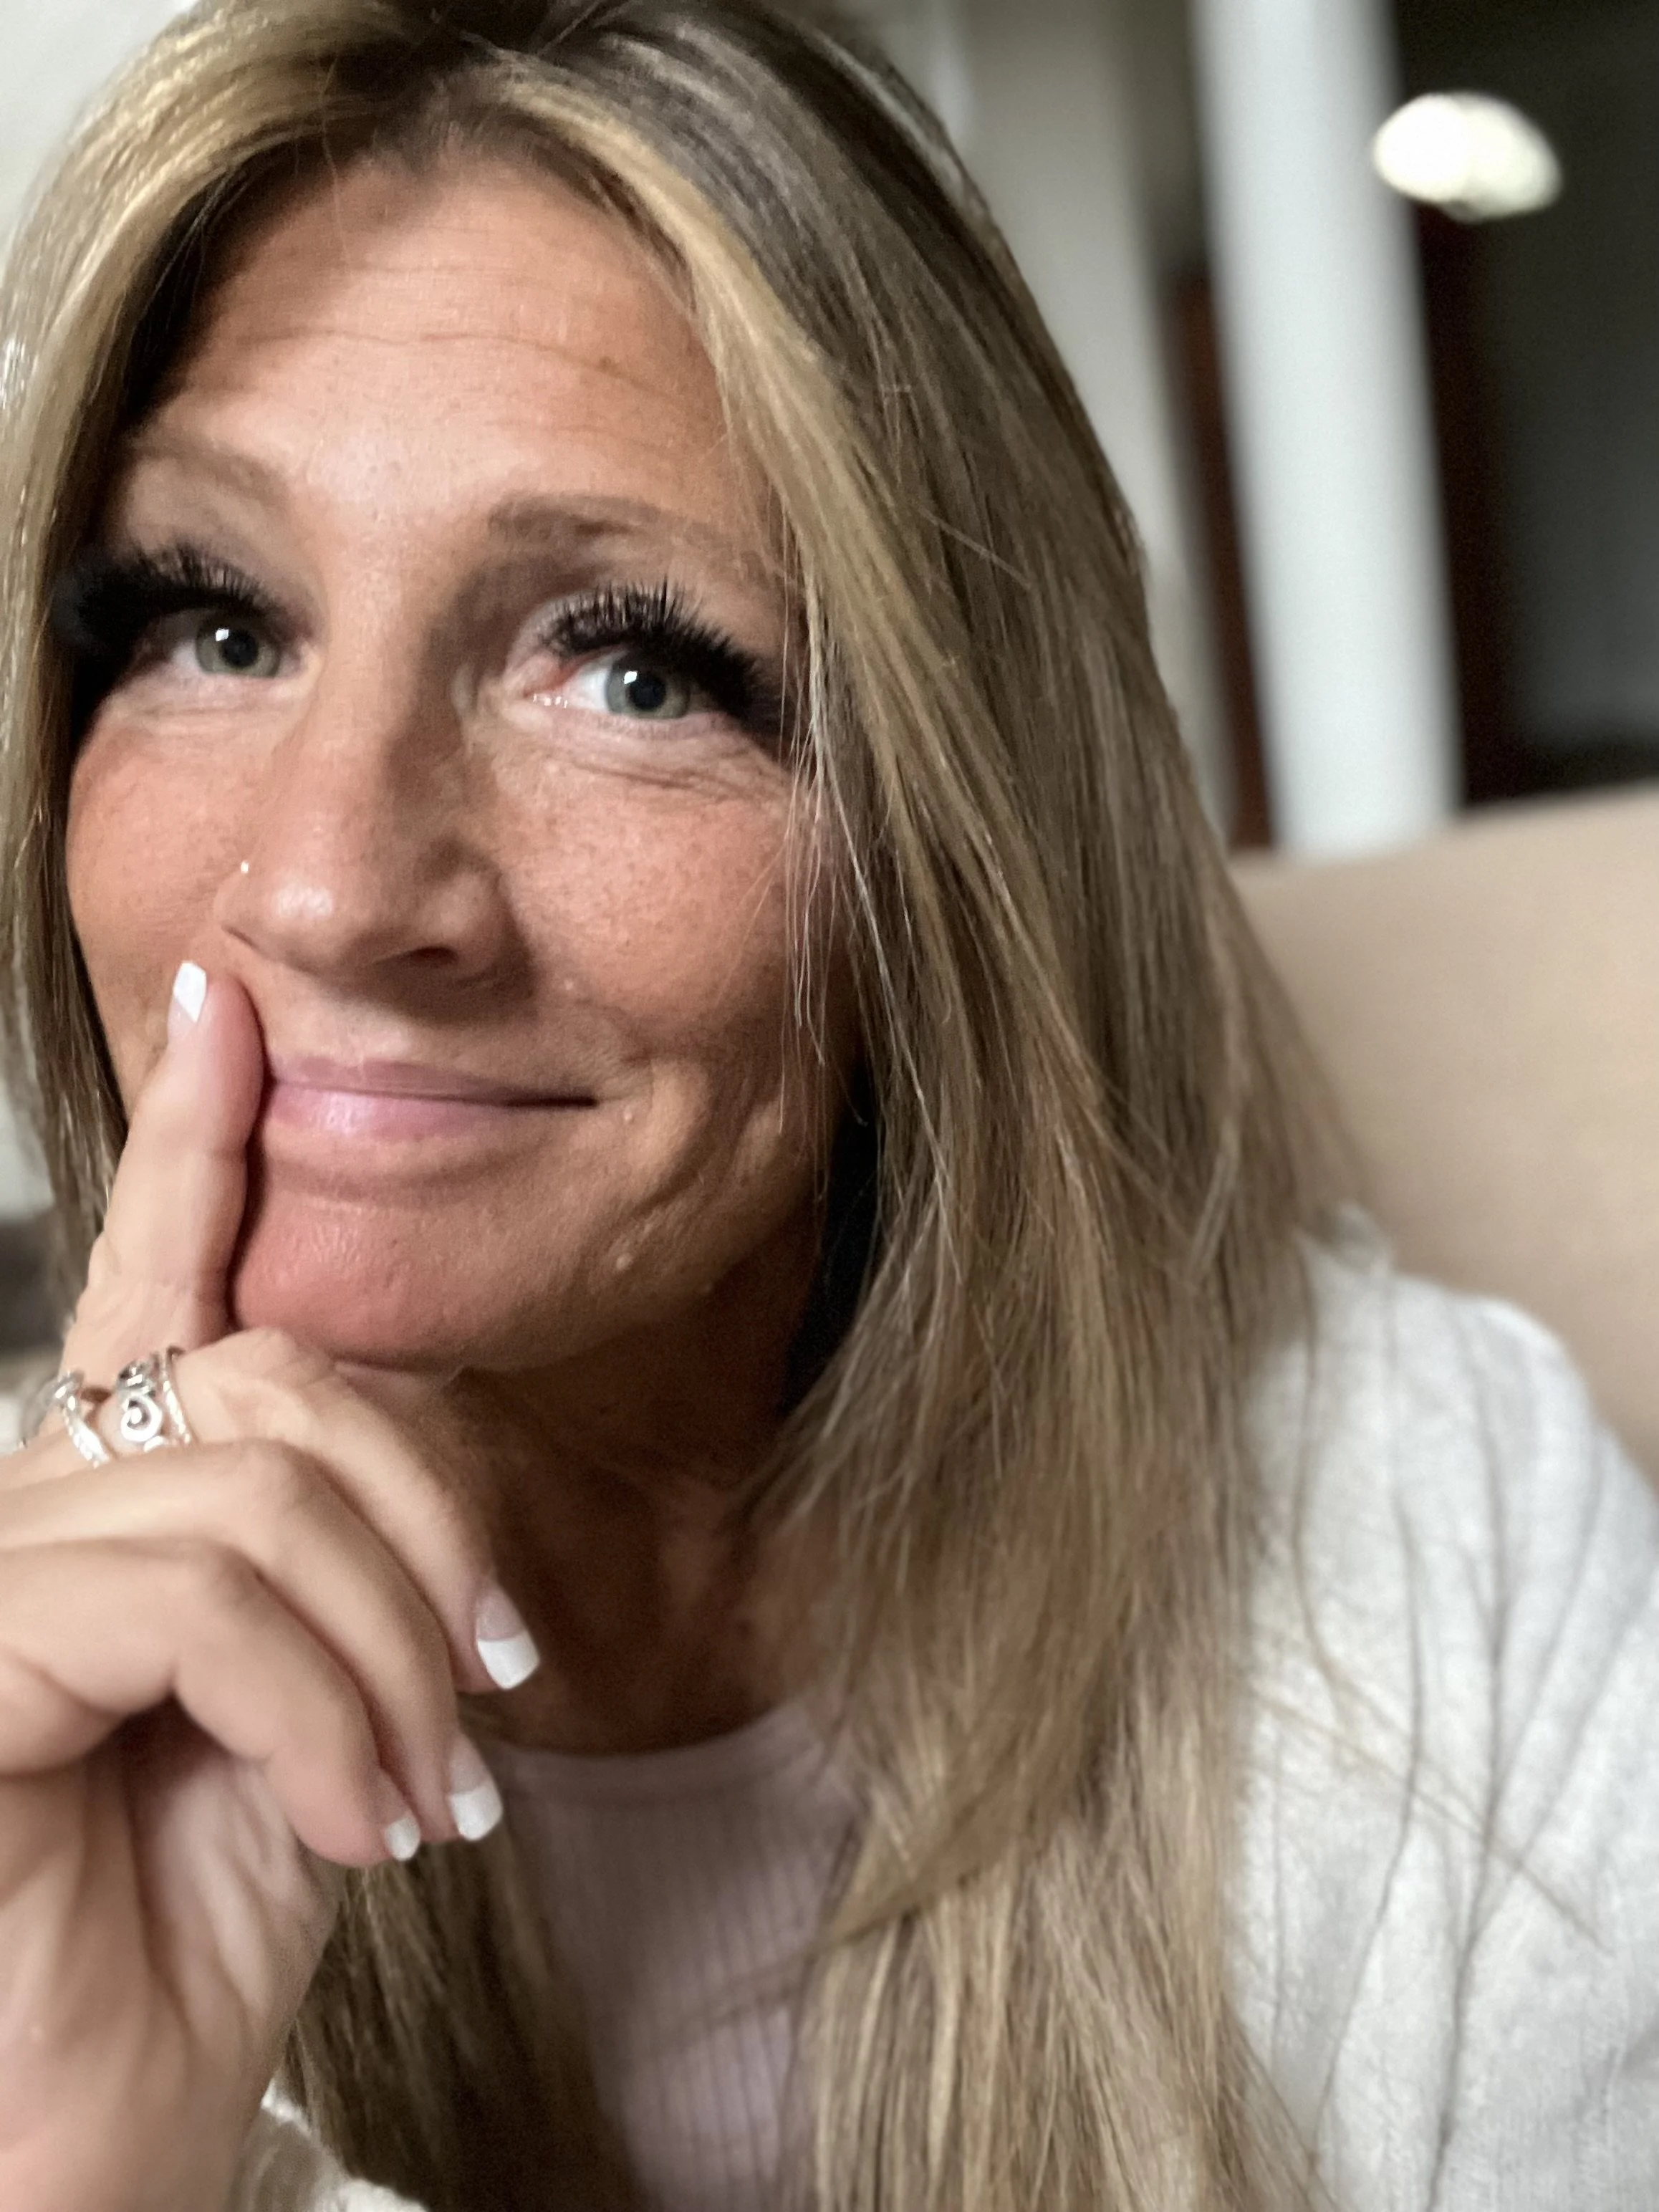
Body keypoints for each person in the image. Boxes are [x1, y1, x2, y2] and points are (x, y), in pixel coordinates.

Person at [0, 4, 1654, 2208]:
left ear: (954, 840)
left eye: (630, 664)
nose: (325, 883)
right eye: (213, 620)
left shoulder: (1432, 1549)